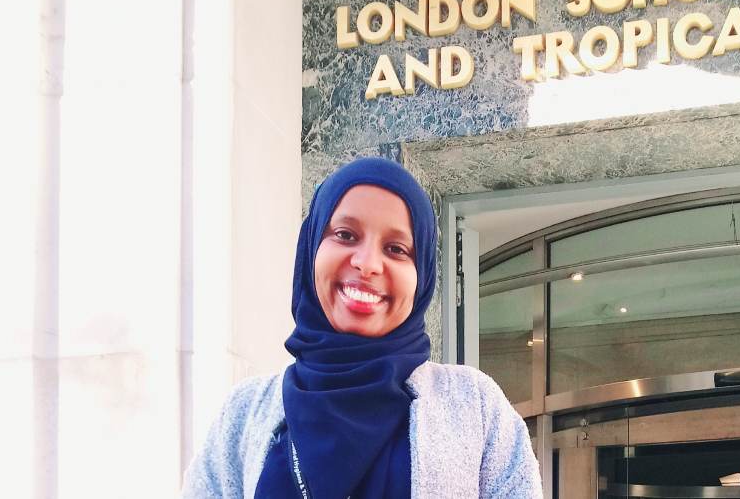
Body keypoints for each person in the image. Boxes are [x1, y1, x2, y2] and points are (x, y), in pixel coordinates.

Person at [182, 157, 542, 498]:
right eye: (345, 234)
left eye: (396, 249)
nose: (368, 263)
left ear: (422, 274)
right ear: (311, 248)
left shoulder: (474, 407)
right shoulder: (244, 413)